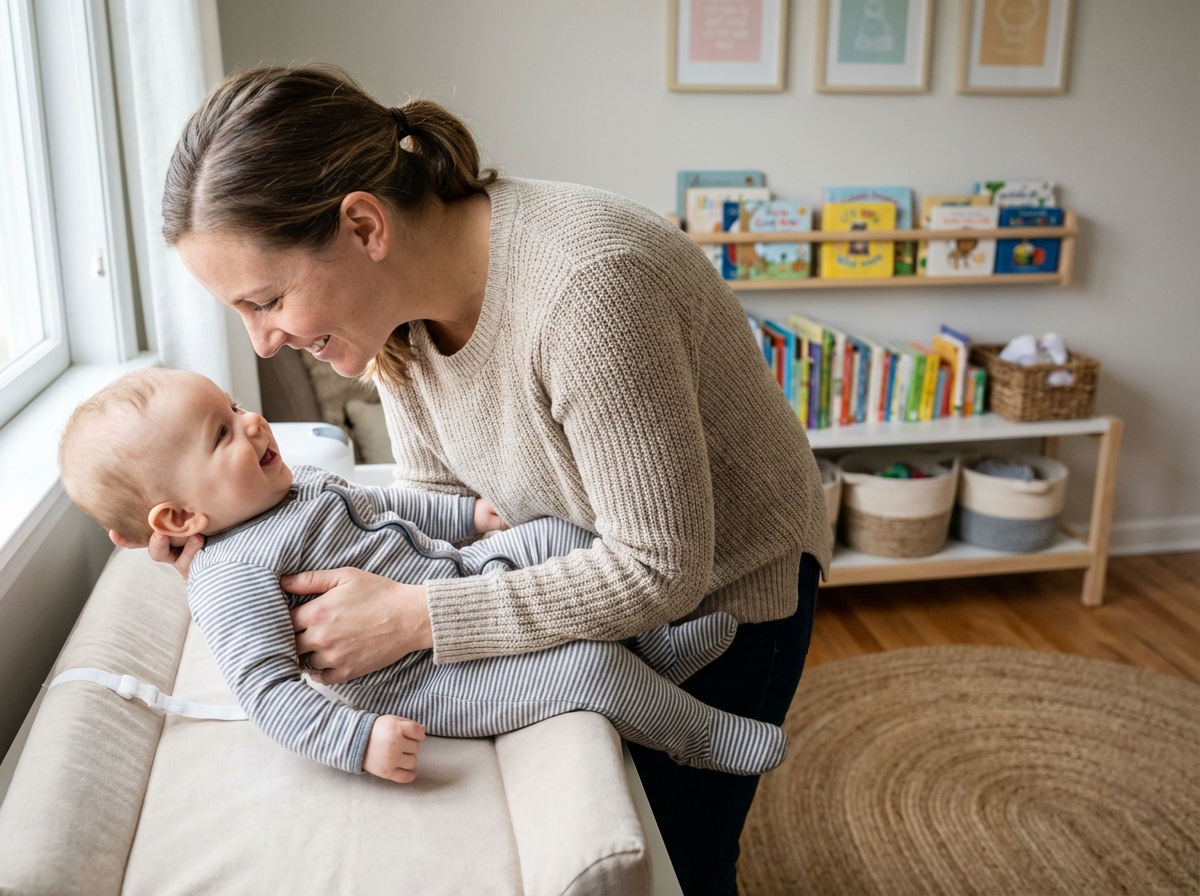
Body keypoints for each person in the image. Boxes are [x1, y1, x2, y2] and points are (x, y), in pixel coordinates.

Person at [126, 64, 832, 894]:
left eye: (267, 299)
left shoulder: (588, 290)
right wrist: (233, 550)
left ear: (363, 226)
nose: (263, 343)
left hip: (723, 594)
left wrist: (412, 616)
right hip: (585, 559)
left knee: (686, 864)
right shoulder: (395, 313)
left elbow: (661, 569)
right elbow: (441, 504)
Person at [60, 367, 786, 782]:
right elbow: (268, 692)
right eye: (222, 432)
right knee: (588, 670)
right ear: (178, 517)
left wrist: (467, 517)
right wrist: (358, 743)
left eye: (236, 406)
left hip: (452, 578)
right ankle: (697, 734)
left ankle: (655, 650)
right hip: (423, 676)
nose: (252, 422)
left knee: (566, 536)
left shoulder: (291, 485)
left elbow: (384, 505)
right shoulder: (230, 575)